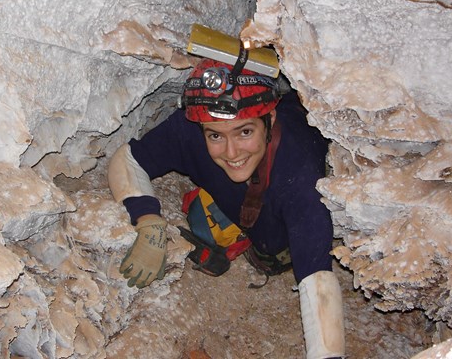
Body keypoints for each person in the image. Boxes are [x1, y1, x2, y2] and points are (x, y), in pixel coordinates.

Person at [108, 51, 346, 358]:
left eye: (245, 132)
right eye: (215, 136)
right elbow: (127, 159)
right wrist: (148, 221)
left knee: (274, 250)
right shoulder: (190, 129)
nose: (232, 151)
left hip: (288, 188)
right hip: (254, 196)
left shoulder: (300, 178)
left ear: (269, 120)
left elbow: (318, 282)